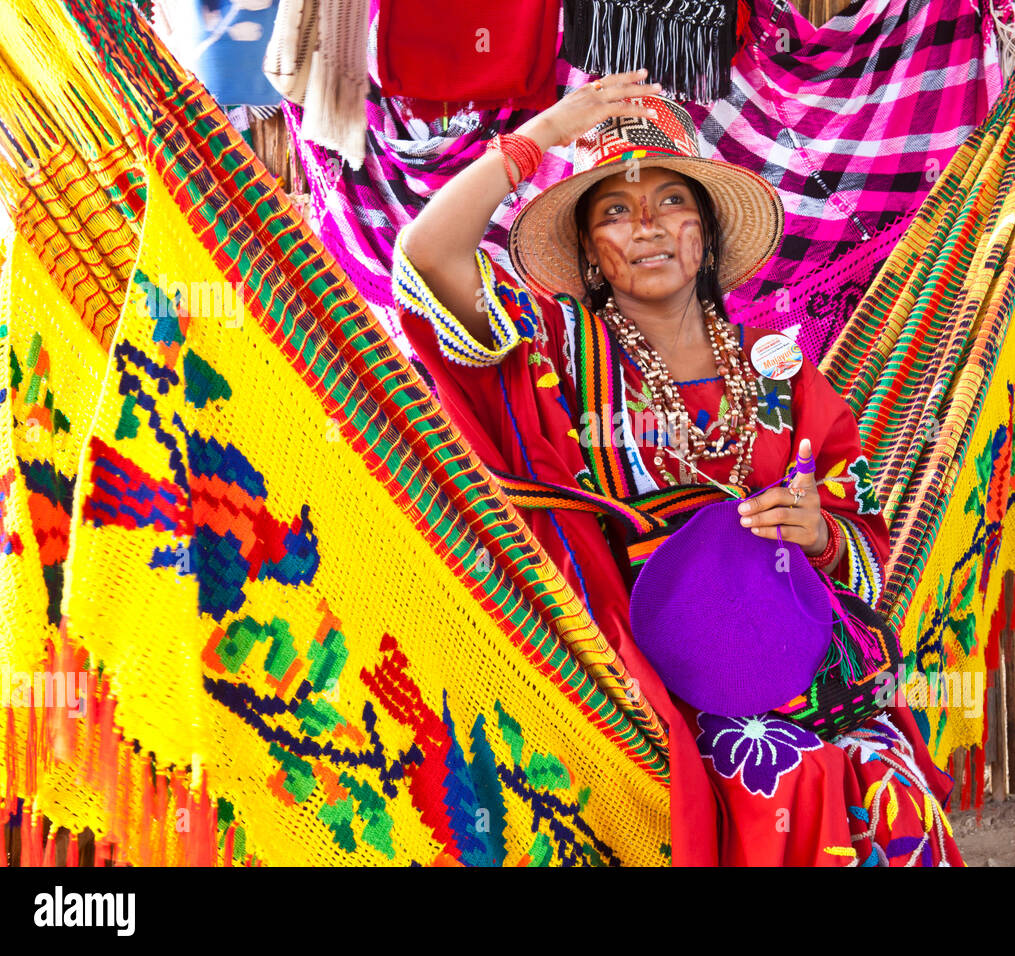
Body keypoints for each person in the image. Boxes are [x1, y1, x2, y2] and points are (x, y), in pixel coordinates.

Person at [392, 69, 963, 866]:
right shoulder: (557, 351)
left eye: (672, 204)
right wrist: (541, 138)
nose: (649, 228)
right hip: (637, 682)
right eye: (617, 211)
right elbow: (425, 256)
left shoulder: (779, 374)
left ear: (706, 235)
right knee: (789, 777)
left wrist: (822, 534)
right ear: (591, 249)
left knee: (885, 773)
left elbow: (864, 559)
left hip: (796, 664)